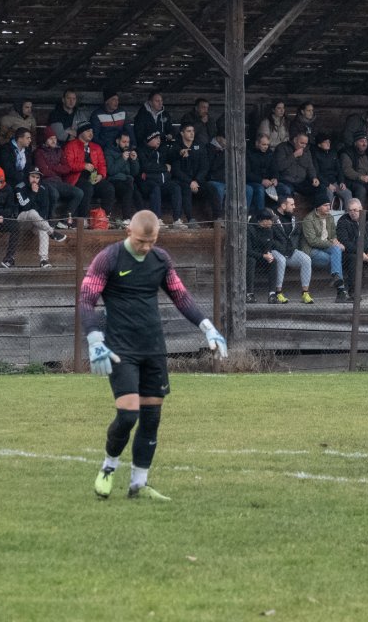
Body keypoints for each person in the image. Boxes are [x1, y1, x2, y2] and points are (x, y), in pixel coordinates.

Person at [81, 210, 226, 501]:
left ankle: (139, 483)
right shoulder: (108, 258)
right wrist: (95, 339)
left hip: (153, 347)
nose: (145, 247)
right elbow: (86, 299)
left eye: (151, 241)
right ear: (128, 233)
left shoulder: (160, 260)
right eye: (140, 242)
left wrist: (207, 327)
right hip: (120, 349)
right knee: (127, 415)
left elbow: (180, 296)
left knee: (151, 417)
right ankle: (108, 467)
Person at [302, 190, 351, 301]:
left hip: (326, 248)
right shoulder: (308, 219)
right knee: (335, 258)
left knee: (336, 252)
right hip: (312, 250)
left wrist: (337, 243)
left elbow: (333, 235)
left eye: (329, 205)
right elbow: (312, 241)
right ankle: (341, 292)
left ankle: (336, 277)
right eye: (325, 205)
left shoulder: (330, 217)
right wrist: (333, 244)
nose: (329, 207)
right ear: (318, 207)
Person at [15, 167, 68, 267]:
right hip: (22, 220)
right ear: (28, 176)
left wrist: (41, 221)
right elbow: (24, 206)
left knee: (43, 229)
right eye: (32, 176)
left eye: (37, 177)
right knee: (32, 212)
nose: (35, 179)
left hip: (36, 222)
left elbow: (45, 209)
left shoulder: (43, 188)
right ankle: (52, 232)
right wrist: (33, 193)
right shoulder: (20, 187)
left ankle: (44, 260)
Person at [268, 195, 313, 303]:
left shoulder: (294, 219)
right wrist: (280, 247)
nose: (294, 207)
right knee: (281, 260)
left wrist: (294, 247)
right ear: (283, 205)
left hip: (290, 251)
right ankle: (278, 293)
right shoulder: (272, 218)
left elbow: (296, 236)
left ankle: (305, 293)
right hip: (275, 251)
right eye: (291, 204)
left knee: (306, 259)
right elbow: (270, 239)